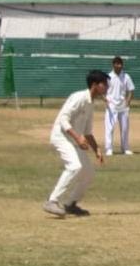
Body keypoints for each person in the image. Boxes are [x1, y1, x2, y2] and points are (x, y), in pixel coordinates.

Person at [42, 70, 109, 218]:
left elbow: (88, 132)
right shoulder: (78, 97)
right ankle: (51, 201)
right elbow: (63, 120)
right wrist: (78, 138)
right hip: (61, 136)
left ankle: (71, 204)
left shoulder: (91, 104)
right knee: (74, 166)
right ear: (94, 85)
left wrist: (97, 150)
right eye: (104, 84)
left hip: (72, 139)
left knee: (88, 173)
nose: (107, 87)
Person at [105, 56, 136, 156]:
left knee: (125, 128)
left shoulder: (126, 76)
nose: (119, 66)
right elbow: (102, 90)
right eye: (117, 64)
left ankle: (125, 148)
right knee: (109, 128)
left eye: (120, 64)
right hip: (111, 105)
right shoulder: (108, 76)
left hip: (123, 105)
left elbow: (131, 90)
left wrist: (128, 102)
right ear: (113, 65)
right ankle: (109, 149)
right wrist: (106, 100)